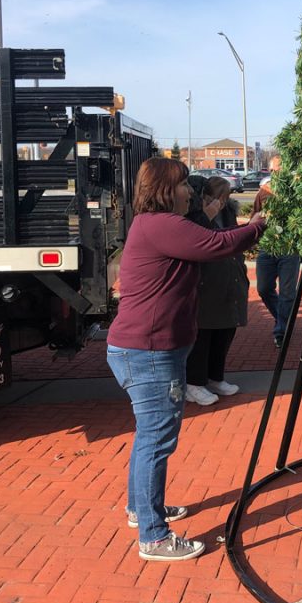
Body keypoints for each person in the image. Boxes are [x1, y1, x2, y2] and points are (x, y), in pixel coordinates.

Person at [106, 157, 265, 562]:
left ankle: (142, 509)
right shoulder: (162, 224)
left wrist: (244, 225)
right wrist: (259, 225)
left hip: (147, 349)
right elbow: (218, 245)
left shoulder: (156, 224)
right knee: (157, 440)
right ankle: (154, 537)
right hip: (149, 352)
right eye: (182, 186)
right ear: (164, 189)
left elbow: (209, 236)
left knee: (149, 437)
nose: (189, 193)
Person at [184, 176, 248, 406]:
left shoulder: (228, 211)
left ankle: (215, 377)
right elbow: (195, 239)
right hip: (206, 283)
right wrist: (207, 213)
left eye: (225, 197)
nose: (221, 201)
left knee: (225, 330)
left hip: (229, 278)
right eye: (217, 196)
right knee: (203, 335)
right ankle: (194, 382)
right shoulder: (193, 215)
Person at [252, 156, 300, 348]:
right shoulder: (264, 191)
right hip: (267, 247)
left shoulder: (296, 191)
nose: (275, 174)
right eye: (272, 171)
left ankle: (281, 331)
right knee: (264, 288)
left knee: (288, 292)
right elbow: (255, 216)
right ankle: (282, 318)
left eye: (279, 171)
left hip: (289, 248)